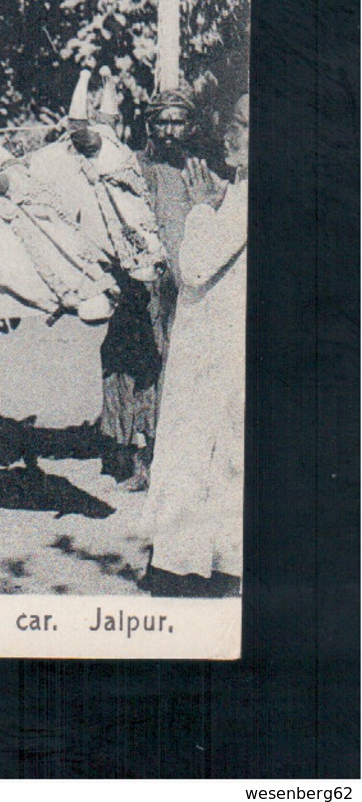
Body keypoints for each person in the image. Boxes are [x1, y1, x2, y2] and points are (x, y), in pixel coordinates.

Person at [143, 92, 248, 596]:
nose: (232, 134)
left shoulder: (241, 195)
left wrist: (202, 211)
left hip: (215, 346)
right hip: (217, 339)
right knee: (221, 450)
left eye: (245, 126)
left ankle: (181, 565)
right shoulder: (239, 188)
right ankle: (216, 560)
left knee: (197, 447)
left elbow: (196, 266)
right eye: (232, 122)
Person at [100, 89, 217, 487]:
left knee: (170, 364)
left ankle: (157, 455)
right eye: (161, 121)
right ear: (149, 125)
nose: (168, 130)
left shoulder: (199, 173)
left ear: (191, 126)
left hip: (179, 290)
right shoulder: (129, 167)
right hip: (136, 286)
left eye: (177, 121)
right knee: (128, 361)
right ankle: (126, 453)